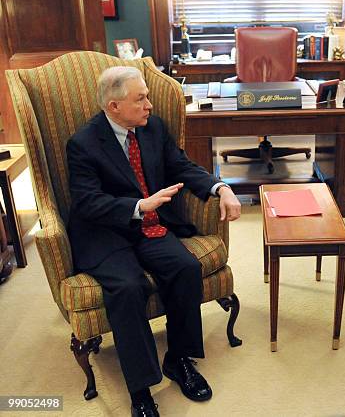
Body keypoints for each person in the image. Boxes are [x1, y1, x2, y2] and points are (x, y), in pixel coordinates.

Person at [66, 66, 242, 417]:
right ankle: (141, 390)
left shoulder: (152, 127)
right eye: (140, 99)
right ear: (114, 106)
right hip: (104, 232)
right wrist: (137, 206)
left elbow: (180, 165)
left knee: (185, 267)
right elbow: (86, 201)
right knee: (129, 287)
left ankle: (179, 359)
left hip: (148, 224)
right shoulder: (83, 143)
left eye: (147, 96)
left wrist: (220, 187)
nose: (149, 104)